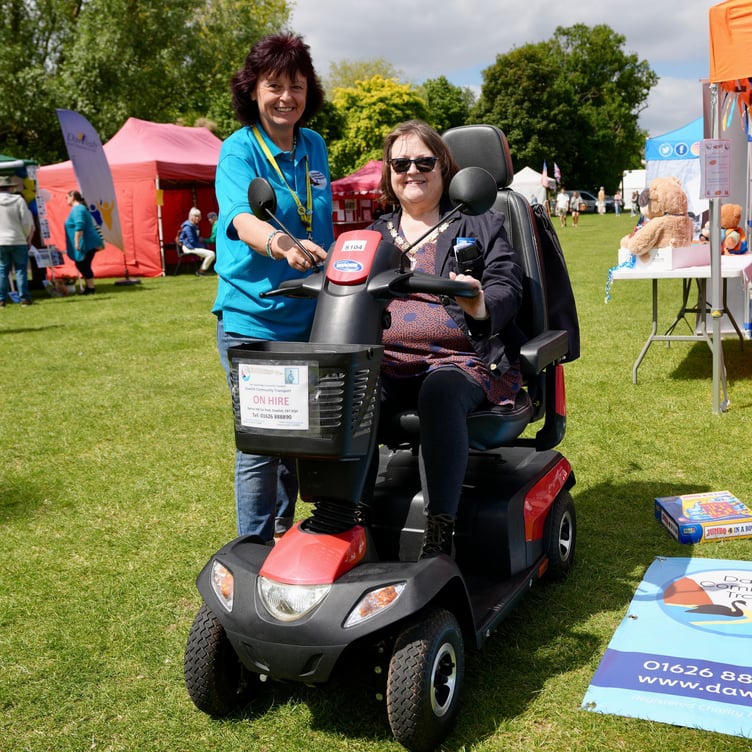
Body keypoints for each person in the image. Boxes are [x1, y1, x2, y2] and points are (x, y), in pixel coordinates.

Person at [368, 120, 525, 558]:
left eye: (424, 161)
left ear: (444, 168)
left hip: (461, 360)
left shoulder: (482, 223)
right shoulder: (375, 235)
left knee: (439, 392)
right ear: (389, 172)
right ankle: (349, 518)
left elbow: (506, 285)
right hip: (387, 361)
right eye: (401, 162)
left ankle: (439, 533)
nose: (412, 171)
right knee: (350, 391)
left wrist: (479, 304)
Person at [213, 32, 333, 543]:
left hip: (313, 319)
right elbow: (241, 218)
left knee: (299, 438)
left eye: (297, 86)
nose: (287, 96)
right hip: (253, 321)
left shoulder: (314, 146)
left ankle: (285, 532)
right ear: (253, 90)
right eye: (275, 85)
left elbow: (323, 221)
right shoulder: (238, 150)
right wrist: (283, 245)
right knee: (261, 443)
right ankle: (253, 549)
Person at [0, 174, 35, 307]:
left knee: (2, 270)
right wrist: (25, 236)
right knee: (21, 270)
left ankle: (1, 299)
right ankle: (24, 298)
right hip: (18, 239)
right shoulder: (18, 200)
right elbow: (27, 222)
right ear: (10, 188)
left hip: (1, 241)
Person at [64, 190, 104, 295]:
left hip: (87, 242)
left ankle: (90, 288)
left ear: (72, 197)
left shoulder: (78, 209)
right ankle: (89, 288)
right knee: (83, 264)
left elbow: (80, 225)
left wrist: (76, 242)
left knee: (83, 265)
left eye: (66, 197)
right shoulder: (80, 208)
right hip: (88, 241)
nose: (66, 200)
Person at [179, 207, 215, 276]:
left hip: (192, 246)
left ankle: (201, 271)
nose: (198, 218)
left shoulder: (192, 226)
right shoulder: (188, 227)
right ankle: (201, 271)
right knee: (211, 254)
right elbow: (191, 241)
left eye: (199, 216)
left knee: (211, 253)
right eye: (196, 216)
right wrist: (202, 247)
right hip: (189, 248)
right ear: (191, 217)